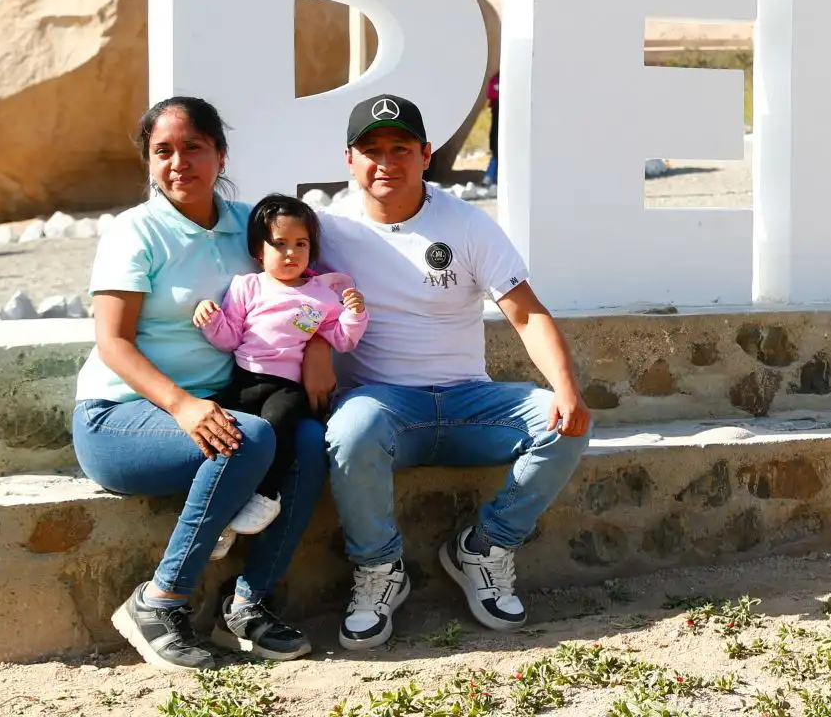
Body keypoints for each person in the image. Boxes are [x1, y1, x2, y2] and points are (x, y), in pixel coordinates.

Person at [309, 93, 589, 651]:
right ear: (348, 159)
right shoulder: (326, 229)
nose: (386, 162)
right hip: (385, 408)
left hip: (468, 403)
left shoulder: (466, 224)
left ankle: (484, 547)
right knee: (352, 428)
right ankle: (380, 570)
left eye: (400, 149)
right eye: (371, 150)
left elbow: (527, 314)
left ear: (426, 154)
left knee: (560, 421)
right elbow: (280, 293)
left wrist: (566, 388)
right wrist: (315, 348)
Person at [72, 97, 328, 670]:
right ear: (148, 161)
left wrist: (318, 347)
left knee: (310, 440)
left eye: (193, 147)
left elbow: (305, 292)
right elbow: (113, 342)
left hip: (221, 404)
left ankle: (249, 605)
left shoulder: (252, 226)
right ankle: (158, 602)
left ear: (221, 154)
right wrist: (182, 405)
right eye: (162, 151)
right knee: (251, 438)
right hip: (121, 417)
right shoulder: (135, 232)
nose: (178, 162)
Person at [193, 193, 370, 551]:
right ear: (259, 250)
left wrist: (355, 314)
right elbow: (230, 338)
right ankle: (221, 516)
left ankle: (267, 494)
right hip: (245, 379)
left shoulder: (322, 297)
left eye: (300, 243)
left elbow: (342, 339)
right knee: (227, 434)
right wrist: (210, 319)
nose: (291, 253)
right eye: (279, 243)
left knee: (277, 425)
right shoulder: (248, 286)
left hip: (287, 386)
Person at [483, 71, 500, 193]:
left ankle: (490, 178)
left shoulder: (495, 80)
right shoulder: (497, 80)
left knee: (496, 154)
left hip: (496, 128)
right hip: (497, 127)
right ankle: (490, 178)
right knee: (496, 154)